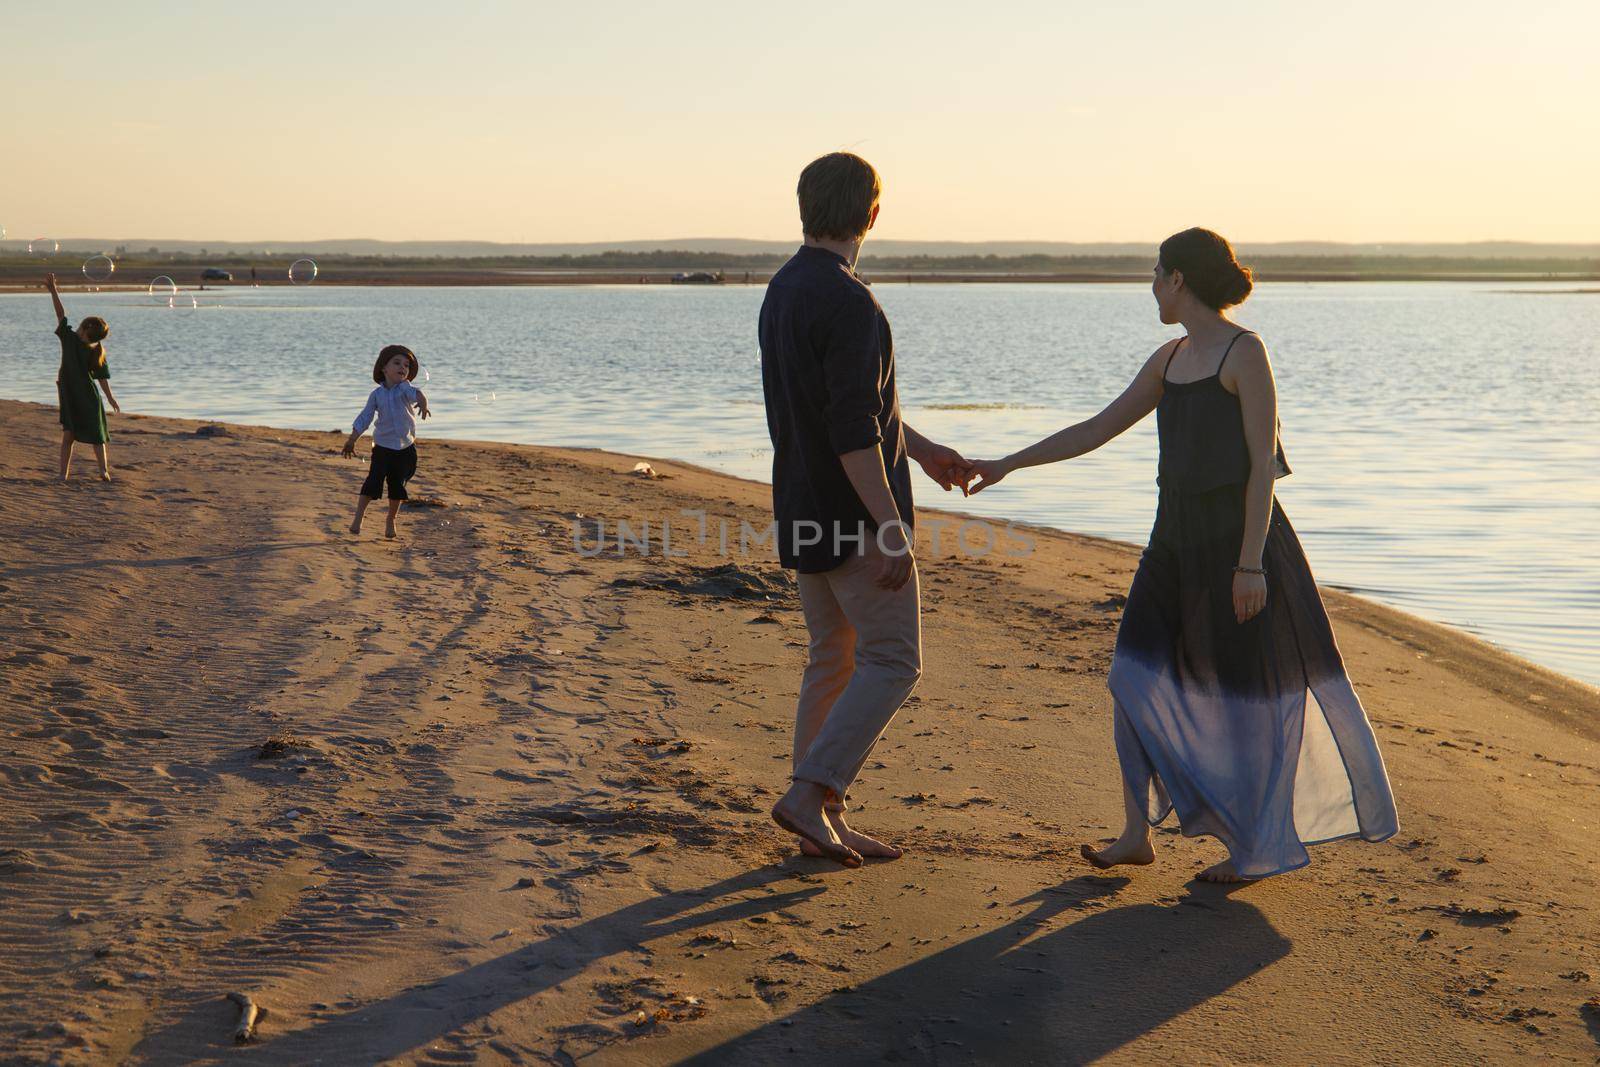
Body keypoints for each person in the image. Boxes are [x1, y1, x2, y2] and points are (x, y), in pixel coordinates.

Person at [967, 227, 1398, 883]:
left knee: (1244, 697)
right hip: (1170, 542)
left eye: (1155, 274)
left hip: (1238, 549)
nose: (1150, 288)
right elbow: (1096, 427)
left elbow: (1263, 468)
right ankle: (1136, 833)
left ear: (1179, 279)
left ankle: (1254, 847)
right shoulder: (1169, 359)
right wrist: (1007, 463)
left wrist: (1250, 564)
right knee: (1129, 677)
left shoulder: (1244, 353)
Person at [760, 152, 974, 868]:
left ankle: (824, 815)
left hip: (800, 504)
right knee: (894, 659)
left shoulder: (783, 288)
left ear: (804, 207)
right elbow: (852, 435)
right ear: (873, 215)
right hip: (851, 517)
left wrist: (919, 447)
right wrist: (890, 526)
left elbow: (854, 416)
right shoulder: (852, 303)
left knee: (834, 659)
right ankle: (811, 789)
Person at [342, 345, 430, 539]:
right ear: (384, 368)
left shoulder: (404, 389)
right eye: (397, 363)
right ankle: (358, 517)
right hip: (382, 447)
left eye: (406, 365)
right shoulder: (377, 395)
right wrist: (352, 439)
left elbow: (418, 394)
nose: (403, 368)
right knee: (372, 482)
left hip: (405, 448)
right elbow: (365, 418)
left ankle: (391, 519)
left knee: (397, 486)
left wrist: (423, 404)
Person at [46, 273, 120, 481]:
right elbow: (61, 313)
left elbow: (102, 378)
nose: (77, 327)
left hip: (80, 396)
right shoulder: (78, 343)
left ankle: (91, 471)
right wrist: (53, 291)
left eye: (81, 325)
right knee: (81, 435)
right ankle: (77, 472)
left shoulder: (87, 348)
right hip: (77, 395)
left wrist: (110, 398)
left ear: (87, 331)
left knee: (83, 435)